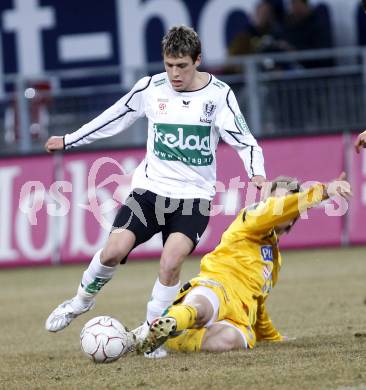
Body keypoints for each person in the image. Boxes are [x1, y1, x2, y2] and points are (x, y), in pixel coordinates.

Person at [44, 25, 266, 357]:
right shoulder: (150, 88)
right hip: (149, 191)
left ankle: (151, 337)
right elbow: (113, 118)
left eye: (182, 66)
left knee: (171, 261)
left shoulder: (218, 95)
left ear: (198, 61)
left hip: (194, 197)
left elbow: (244, 140)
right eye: (169, 65)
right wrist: (69, 140)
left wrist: (257, 173)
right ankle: (80, 302)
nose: (174, 74)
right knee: (112, 251)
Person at [136, 173, 352, 354]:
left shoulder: (274, 260)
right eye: (275, 201)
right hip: (216, 285)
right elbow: (271, 211)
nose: (278, 206)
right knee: (201, 308)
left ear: (294, 216)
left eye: (284, 203)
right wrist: (323, 191)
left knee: (228, 341)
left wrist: (272, 337)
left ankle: (173, 339)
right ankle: (168, 323)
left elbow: (258, 301)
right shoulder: (251, 216)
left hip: (238, 315)